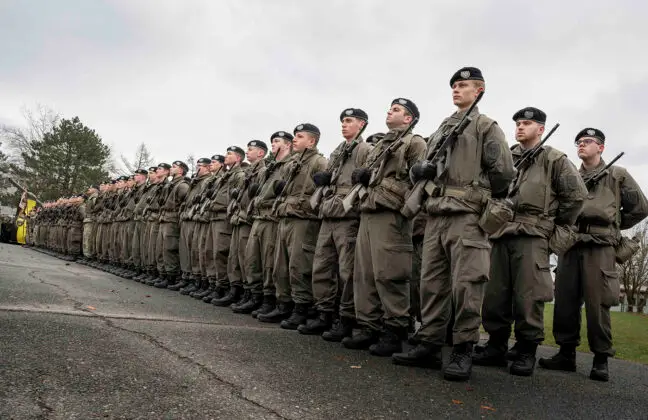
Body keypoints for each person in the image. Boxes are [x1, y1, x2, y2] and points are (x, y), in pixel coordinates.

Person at [392, 67, 515, 381]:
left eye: (463, 85)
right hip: (436, 214)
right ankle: (430, 344)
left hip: (467, 217)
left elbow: (502, 173)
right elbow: (423, 170)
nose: (456, 90)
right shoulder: (442, 128)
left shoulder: (486, 126)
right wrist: (418, 171)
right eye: (454, 86)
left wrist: (476, 196)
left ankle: (463, 348)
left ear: (479, 91)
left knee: (467, 285)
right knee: (432, 285)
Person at [473, 107, 586, 376]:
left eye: (527, 123)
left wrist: (551, 225)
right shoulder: (508, 156)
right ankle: (496, 346)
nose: (520, 127)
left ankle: (526, 350)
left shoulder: (555, 159)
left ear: (541, 129)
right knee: (495, 294)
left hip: (533, 235)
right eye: (518, 123)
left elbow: (576, 197)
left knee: (529, 295)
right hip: (501, 232)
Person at [539, 128, 648, 381]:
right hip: (570, 243)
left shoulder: (617, 175)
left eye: (588, 141)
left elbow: (640, 208)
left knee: (598, 305)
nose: (581, 145)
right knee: (564, 302)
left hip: (600, 247)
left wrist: (613, 225)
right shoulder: (571, 175)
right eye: (578, 141)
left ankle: (601, 360)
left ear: (601, 147)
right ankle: (566, 354)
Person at [342, 98, 426, 356]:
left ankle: (395, 328)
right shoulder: (380, 145)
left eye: (397, 110)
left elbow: (417, 183)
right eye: (390, 108)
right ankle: (369, 326)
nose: (390, 111)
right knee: (364, 275)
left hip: (391, 216)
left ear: (409, 118)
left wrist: (382, 189)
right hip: (368, 212)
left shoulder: (415, 143)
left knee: (390, 274)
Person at [298, 108, 371, 341]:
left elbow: (365, 187)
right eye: (342, 121)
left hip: (348, 218)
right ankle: (324, 313)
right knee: (322, 267)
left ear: (361, 125)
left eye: (349, 121)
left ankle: (346, 316)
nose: (343, 125)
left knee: (346, 272)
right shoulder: (338, 151)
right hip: (329, 214)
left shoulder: (365, 150)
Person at [258, 123, 327, 329]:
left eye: (299, 136)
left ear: (312, 141)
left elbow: (323, 193)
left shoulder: (319, 162)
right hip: (285, 217)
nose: (294, 139)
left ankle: (302, 307)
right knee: (281, 265)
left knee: (299, 265)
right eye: (295, 136)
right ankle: (284, 303)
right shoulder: (292, 163)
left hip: (303, 219)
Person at [244, 132, 294, 318]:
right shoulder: (270, 167)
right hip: (259, 217)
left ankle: (269, 299)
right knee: (252, 260)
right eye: (272, 141)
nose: (273, 144)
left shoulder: (290, 165)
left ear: (287, 145)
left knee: (269, 263)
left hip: (272, 218)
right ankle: (256, 296)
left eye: (277, 141)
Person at [229, 140, 269, 312]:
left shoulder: (262, 170)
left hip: (248, 219)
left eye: (250, 149)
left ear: (261, 153)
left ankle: (252, 294)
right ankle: (241, 291)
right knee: (236, 257)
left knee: (249, 259)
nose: (248, 151)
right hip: (239, 218)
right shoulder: (248, 172)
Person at [154, 161, 190, 288]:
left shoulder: (182, 185)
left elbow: (186, 202)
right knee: (161, 249)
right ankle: (163, 274)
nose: (172, 169)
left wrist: (178, 215)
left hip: (172, 220)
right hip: (165, 218)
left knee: (170, 249)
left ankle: (171, 277)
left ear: (180, 171)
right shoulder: (171, 184)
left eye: (174, 167)